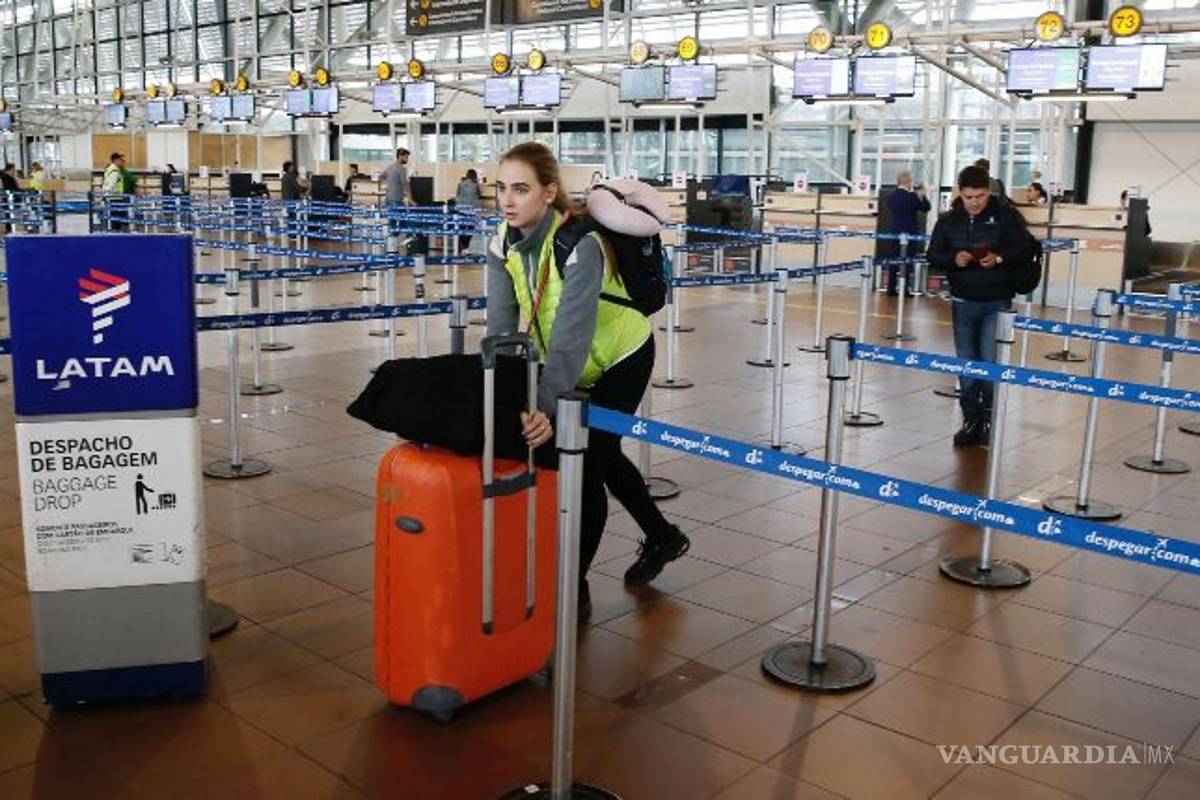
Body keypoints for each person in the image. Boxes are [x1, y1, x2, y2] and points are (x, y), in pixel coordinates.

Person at [486, 142, 689, 621]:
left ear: (548, 192)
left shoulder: (580, 245)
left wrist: (543, 405)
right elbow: (500, 328)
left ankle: (572, 586)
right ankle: (663, 537)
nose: (507, 200)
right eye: (501, 188)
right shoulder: (502, 243)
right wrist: (506, 393)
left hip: (622, 356)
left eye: (521, 188)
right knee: (598, 454)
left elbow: (571, 342)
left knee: (591, 458)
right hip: (574, 361)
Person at [928, 165, 1031, 447]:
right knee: (966, 364)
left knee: (988, 362)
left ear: (989, 191)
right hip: (963, 301)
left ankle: (987, 419)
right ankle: (970, 420)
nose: (974, 202)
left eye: (981, 196)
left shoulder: (1006, 216)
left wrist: (998, 258)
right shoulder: (948, 221)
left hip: (996, 301)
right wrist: (953, 259)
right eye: (969, 196)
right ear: (959, 193)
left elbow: (1023, 248)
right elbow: (933, 254)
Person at [884, 170, 931, 296]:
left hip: (894, 232)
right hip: (910, 233)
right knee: (907, 261)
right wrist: (923, 195)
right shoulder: (912, 197)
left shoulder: (891, 196)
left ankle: (891, 287)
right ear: (908, 181)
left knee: (894, 260)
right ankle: (904, 289)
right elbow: (926, 208)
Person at [454, 168, 482, 253]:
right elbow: (479, 195)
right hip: (471, 210)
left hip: (461, 209)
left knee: (460, 227)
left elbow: (457, 195)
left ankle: (460, 246)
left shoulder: (460, 184)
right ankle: (466, 247)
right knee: (470, 229)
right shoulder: (475, 185)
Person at [102, 152, 129, 230]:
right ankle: (117, 232)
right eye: (121, 160)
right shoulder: (115, 171)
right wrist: (106, 194)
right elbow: (111, 185)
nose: (122, 162)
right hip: (115, 198)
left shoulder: (109, 169)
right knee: (117, 219)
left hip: (111, 197)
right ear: (116, 160)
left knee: (114, 218)